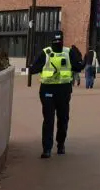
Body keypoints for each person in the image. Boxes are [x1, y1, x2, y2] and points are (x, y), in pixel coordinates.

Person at [29, 31, 83, 159]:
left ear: (62, 41)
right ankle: (47, 149)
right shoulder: (46, 53)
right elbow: (33, 69)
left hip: (63, 90)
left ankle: (60, 144)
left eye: (59, 42)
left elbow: (77, 67)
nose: (57, 44)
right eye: (55, 42)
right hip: (48, 89)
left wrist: (81, 62)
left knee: (63, 119)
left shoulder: (69, 52)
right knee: (49, 120)